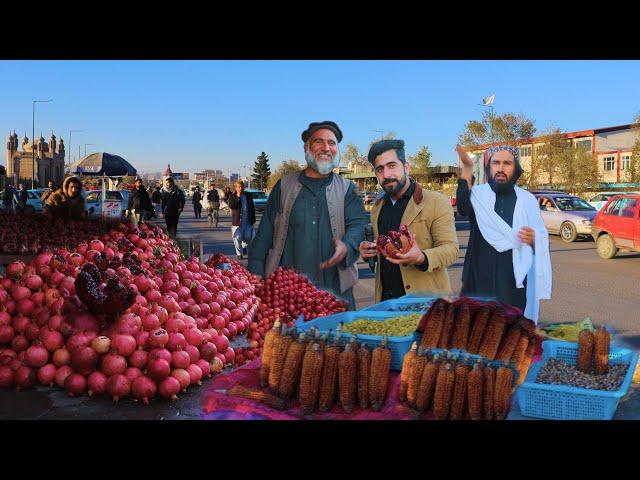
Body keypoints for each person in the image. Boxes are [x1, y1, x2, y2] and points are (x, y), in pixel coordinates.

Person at [248, 121, 367, 309]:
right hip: (287, 296)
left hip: (336, 294)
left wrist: (347, 245)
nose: (326, 148)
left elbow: (359, 226)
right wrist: (255, 270)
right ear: (307, 147)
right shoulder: (284, 186)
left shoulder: (347, 190)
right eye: (319, 142)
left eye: (332, 143)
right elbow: (265, 233)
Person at [455, 144, 552, 323]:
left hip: (513, 283)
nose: (500, 168)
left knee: (511, 334)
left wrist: (535, 239)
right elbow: (462, 207)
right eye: (496, 163)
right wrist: (467, 168)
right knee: (473, 331)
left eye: (507, 163)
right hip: (478, 279)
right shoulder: (478, 195)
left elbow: (541, 236)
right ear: (489, 167)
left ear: (515, 169)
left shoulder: (527, 200)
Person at [359, 140, 459, 302]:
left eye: (392, 166)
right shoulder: (377, 207)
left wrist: (422, 258)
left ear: (406, 167)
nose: (386, 175)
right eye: (380, 169)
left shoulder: (436, 201)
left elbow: (452, 250)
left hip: (426, 304)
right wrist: (369, 251)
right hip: (385, 302)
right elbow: (387, 250)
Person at [228, 181, 256, 259]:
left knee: (248, 237)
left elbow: (252, 208)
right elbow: (232, 206)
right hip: (237, 221)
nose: (240, 188)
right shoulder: (232, 196)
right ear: (236, 188)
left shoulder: (248, 195)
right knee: (237, 237)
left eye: (242, 187)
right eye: (239, 187)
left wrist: (253, 219)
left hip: (247, 221)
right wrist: (238, 197)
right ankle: (239, 254)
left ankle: (244, 245)